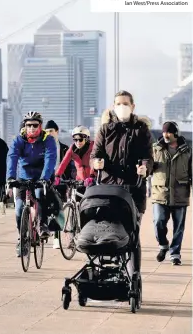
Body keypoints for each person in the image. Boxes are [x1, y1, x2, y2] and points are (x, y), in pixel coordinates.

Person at [90, 90, 153, 275]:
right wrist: (96, 163)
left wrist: (145, 167)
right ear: (113, 107)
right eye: (118, 104)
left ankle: (134, 275)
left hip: (133, 190)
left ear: (133, 107)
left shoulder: (142, 130)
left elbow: (148, 157)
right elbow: (95, 154)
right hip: (109, 190)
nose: (122, 107)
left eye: (125, 103)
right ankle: (108, 272)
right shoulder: (105, 129)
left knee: (132, 235)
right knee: (107, 232)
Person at [6, 111, 57, 257]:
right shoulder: (18, 140)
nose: (32, 128)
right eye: (29, 125)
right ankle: (21, 239)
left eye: (35, 125)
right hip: (24, 176)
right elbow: (12, 158)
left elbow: (50, 159)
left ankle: (42, 225)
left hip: (42, 176)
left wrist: (45, 178)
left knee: (41, 194)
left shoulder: (48, 140)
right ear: (24, 126)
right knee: (19, 209)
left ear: (40, 126)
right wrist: (10, 178)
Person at [152, 121, 192, 266]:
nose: (166, 134)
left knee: (179, 227)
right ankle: (163, 245)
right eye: (164, 132)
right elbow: (148, 166)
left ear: (176, 133)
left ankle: (175, 254)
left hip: (180, 193)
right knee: (158, 221)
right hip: (160, 193)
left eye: (169, 132)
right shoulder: (156, 149)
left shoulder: (187, 150)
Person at [45, 119, 75, 249]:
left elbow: (70, 166)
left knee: (58, 209)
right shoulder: (43, 147)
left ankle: (57, 238)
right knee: (46, 209)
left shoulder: (64, 148)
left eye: (51, 131)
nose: (49, 134)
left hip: (61, 182)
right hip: (46, 181)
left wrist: (69, 180)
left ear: (56, 132)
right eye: (46, 132)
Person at [54, 126, 95, 200]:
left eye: (80, 139)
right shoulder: (72, 149)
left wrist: (92, 176)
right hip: (79, 181)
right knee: (76, 199)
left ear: (86, 139)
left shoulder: (93, 148)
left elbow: (93, 163)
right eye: (75, 140)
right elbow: (64, 163)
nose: (78, 142)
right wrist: (57, 175)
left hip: (92, 180)